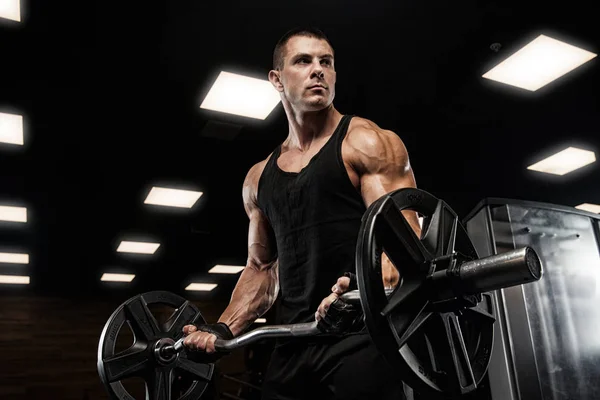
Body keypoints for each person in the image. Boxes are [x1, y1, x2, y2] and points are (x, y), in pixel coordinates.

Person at [182, 27, 422, 400]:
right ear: (277, 79)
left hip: (361, 338)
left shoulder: (366, 143)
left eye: (326, 61)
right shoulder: (259, 178)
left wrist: (358, 293)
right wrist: (223, 328)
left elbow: (402, 241)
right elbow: (261, 270)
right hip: (292, 343)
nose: (318, 70)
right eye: (303, 61)